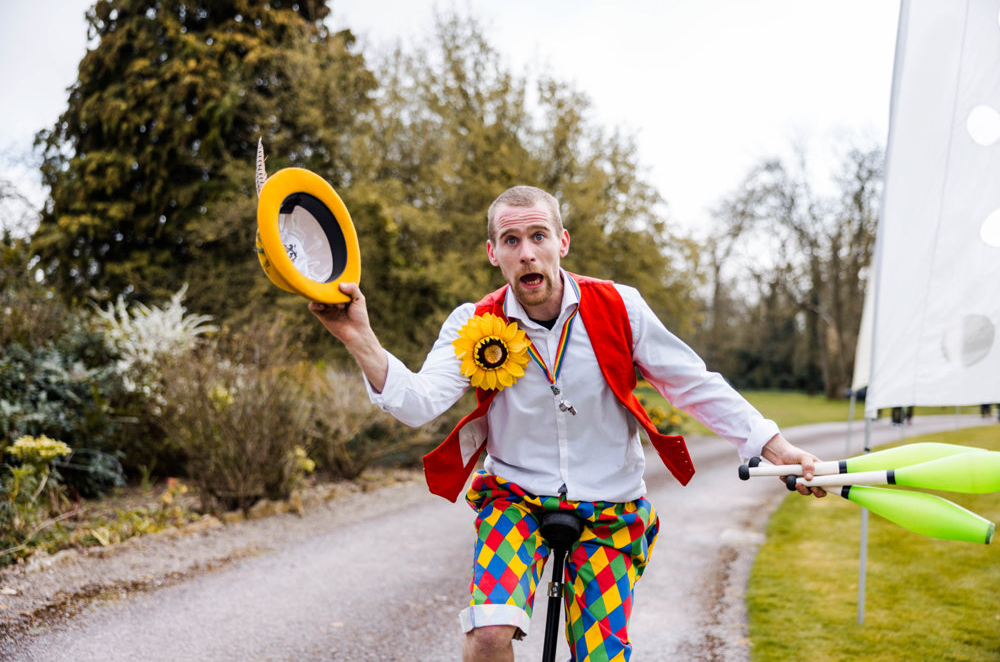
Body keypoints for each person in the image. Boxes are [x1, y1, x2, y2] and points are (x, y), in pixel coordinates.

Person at [309, 185, 823, 662]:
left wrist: (776, 450)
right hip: (515, 500)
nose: (526, 251)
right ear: (494, 253)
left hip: (610, 506)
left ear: (562, 242)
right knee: (487, 635)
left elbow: (695, 384)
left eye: (538, 236)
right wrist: (360, 337)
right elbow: (417, 401)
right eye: (511, 240)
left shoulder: (621, 307)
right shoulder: (474, 321)